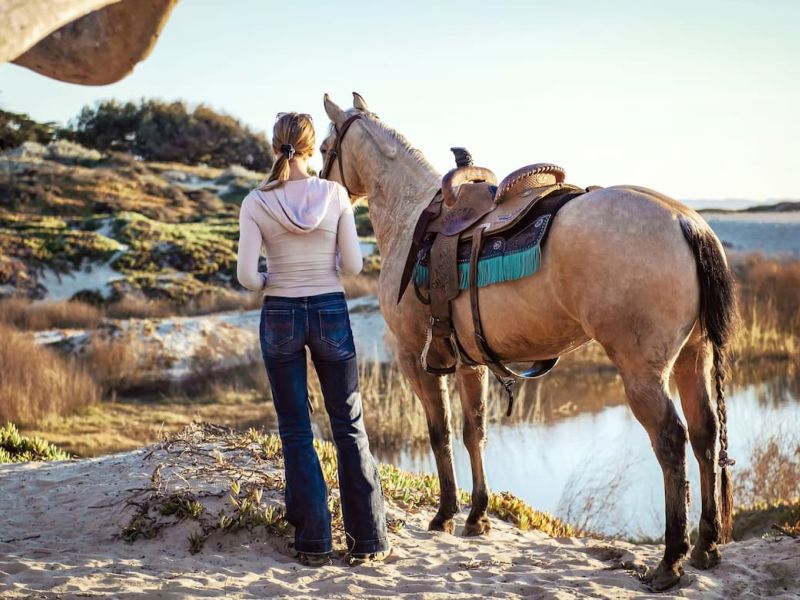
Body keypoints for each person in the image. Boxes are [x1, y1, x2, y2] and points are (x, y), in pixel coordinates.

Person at [236, 112, 390, 566]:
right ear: (310, 148)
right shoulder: (336, 194)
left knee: (296, 430)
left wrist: (272, 280)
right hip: (330, 310)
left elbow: (247, 276)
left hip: (280, 311)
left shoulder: (255, 201)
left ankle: (314, 543)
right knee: (349, 425)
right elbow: (354, 266)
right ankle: (368, 542)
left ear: (274, 147)